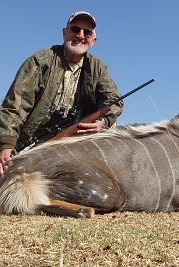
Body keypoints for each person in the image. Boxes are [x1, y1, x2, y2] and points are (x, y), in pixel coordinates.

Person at [0, 11, 123, 175]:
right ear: (64, 32)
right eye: (75, 29)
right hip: (32, 141)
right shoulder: (40, 60)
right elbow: (14, 106)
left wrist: (103, 122)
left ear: (93, 40)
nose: (80, 36)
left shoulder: (97, 67)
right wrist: (6, 145)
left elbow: (114, 101)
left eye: (87, 32)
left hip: (75, 142)